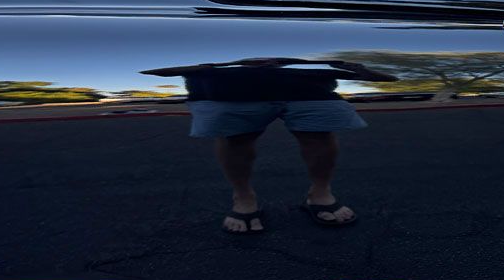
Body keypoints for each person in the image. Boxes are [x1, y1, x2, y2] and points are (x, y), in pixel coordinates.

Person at [143, 57, 394, 233]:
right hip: (228, 86)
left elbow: (388, 77)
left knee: (319, 137)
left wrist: (348, 65)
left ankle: (320, 192)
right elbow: (154, 71)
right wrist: (209, 64)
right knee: (236, 140)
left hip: (310, 85)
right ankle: (243, 196)